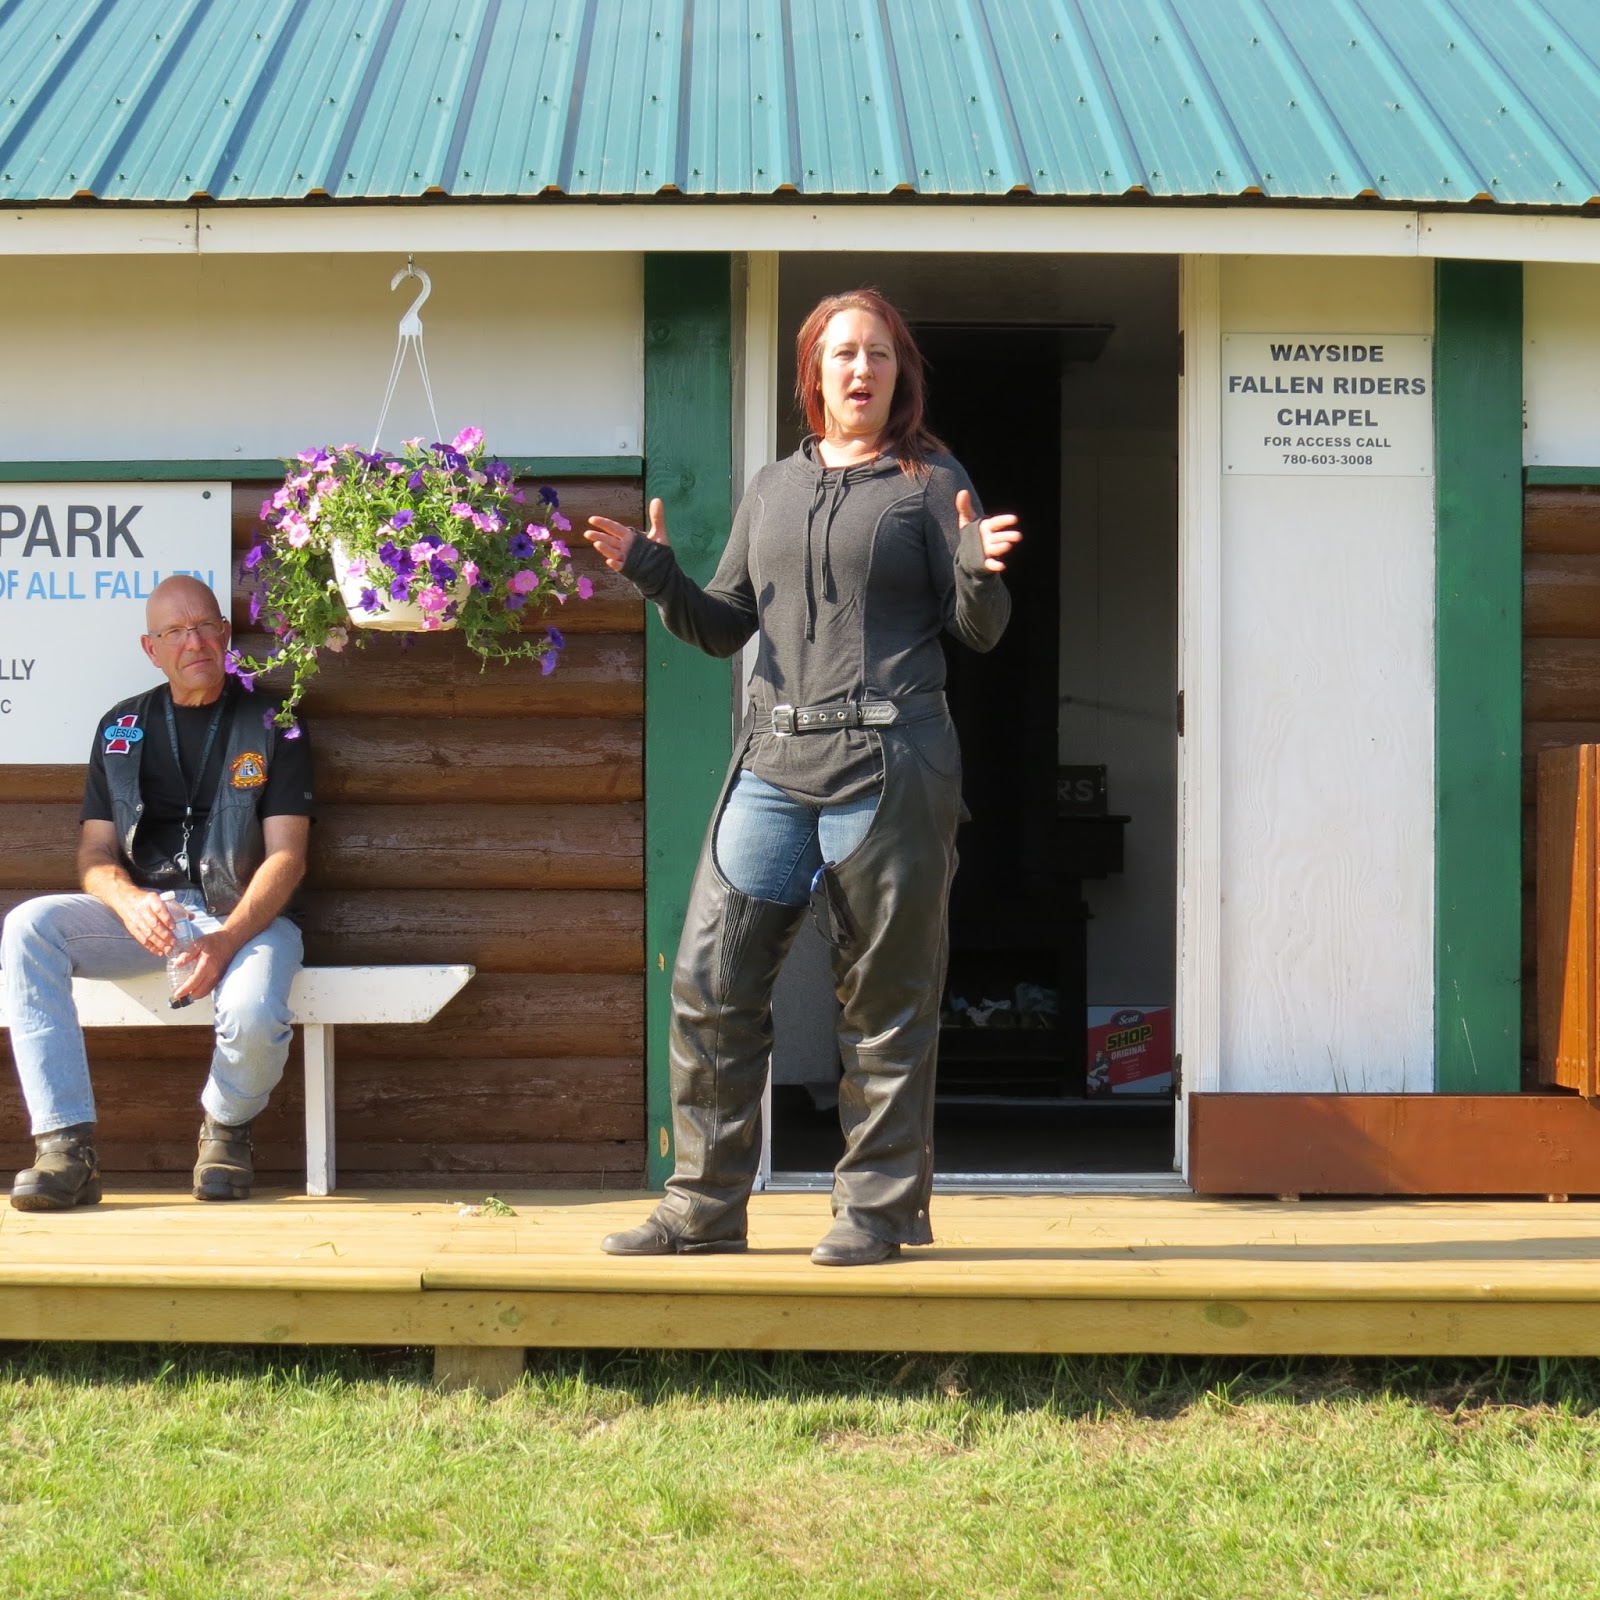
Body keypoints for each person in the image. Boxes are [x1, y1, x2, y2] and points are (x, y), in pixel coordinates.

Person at [586, 289, 1021, 1266]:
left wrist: (979, 571)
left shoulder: (930, 482)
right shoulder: (771, 490)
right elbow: (723, 627)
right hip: (774, 764)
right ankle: (701, 1206)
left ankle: (876, 1211)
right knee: (708, 982)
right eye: (841, 355)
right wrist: (659, 575)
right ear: (813, 374)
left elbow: (980, 633)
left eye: (878, 355)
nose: (860, 370)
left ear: (899, 373)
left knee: (886, 1003)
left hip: (890, 760)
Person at [2, 575, 314, 1210]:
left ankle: (225, 1130)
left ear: (226, 635)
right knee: (30, 926)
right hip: (154, 917)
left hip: (245, 917)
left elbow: (287, 856)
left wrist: (226, 939)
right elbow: (94, 853)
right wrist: (128, 900)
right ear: (152, 648)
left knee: (254, 1014)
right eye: (175, 631)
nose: (193, 641)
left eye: (204, 626)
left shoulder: (273, 720)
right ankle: (66, 1149)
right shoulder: (121, 724)